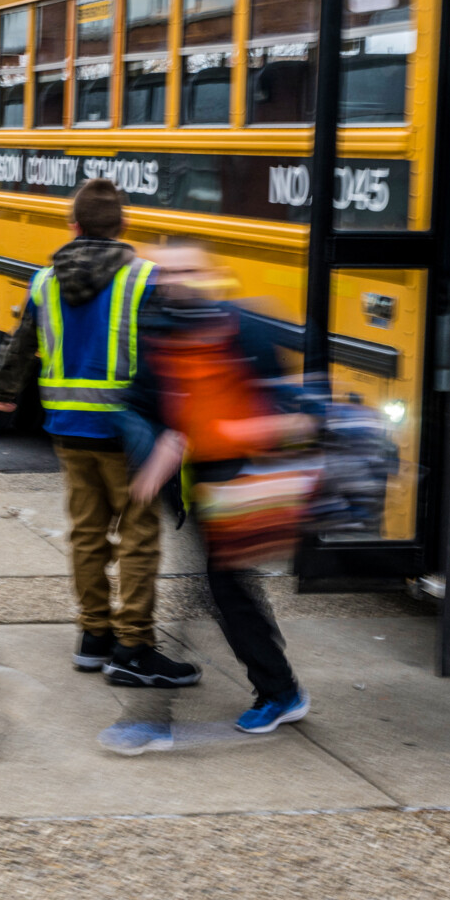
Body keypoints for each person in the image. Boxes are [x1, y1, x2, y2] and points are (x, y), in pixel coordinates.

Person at [0, 178, 199, 689]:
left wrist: (3, 392)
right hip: (128, 433)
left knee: (86, 533)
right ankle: (134, 645)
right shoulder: (145, 277)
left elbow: (21, 345)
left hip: (68, 428)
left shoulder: (44, 281)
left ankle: (93, 636)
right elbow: (170, 354)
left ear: (74, 226)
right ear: (124, 225)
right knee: (137, 537)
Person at [125, 243, 313, 734]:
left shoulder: (247, 327)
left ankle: (281, 691)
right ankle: (278, 686)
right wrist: (153, 456)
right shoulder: (157, 332)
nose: (177, 278)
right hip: (200, 491)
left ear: (211, 275)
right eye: (167, 271)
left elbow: (279, 409)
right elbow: (142, 403)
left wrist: (225, 432)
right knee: (228, 589)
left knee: (226, 588)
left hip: (243, 485)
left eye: (188, 269)